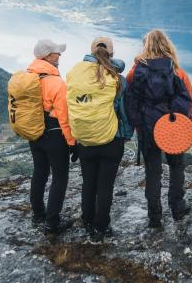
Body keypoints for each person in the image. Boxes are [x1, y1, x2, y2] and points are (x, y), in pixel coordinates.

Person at [125, 29, 192, 229]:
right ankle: (177, 207)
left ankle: (154, 217)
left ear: (145, 47)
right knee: (176, 167)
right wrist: (188, 128)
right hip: (173, 129)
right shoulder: (178, 72)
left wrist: (138, 126)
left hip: (147, 129)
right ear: (168, 46)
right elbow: (189, 103)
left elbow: (131, 101)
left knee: (153, 172)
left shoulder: (136, 72)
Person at [66, 36, 133, 243]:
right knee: (105, 186)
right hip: (111, 140)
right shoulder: (118, 79)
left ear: (91, 51)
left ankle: (87, 219)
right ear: (111, 53)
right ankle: (101, 228)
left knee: (89, 182)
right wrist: (127, 134)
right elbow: (125, 112)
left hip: (85, 140)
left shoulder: (76, 74)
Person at [27, 39, 75, 234]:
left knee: (39, 171)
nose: (60, 55)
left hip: (35, 132)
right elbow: (64, 117)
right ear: (47, 56)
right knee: (60, 177)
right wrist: (72, 143)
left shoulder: (27, 78)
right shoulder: (55, 82)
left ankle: (38, 214)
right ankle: (52, 222)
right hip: (55, 135)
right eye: (56, 52)